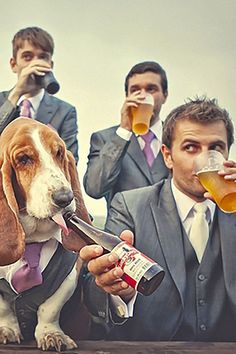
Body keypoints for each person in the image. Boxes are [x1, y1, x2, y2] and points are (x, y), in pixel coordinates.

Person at [80, 97, 236, 342]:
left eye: (216, 148)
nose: (204, 159)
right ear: (167, 156)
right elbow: (93, 292)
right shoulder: (130, 206)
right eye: (190, 147)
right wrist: (116, 290)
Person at [83, 61, 169, 210]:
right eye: (135, 90)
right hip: (123, 231)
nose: (143, 96)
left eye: (151, 89)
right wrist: (124, 131)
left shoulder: (177, 139)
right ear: (127, 96)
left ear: (164, 95)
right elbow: (94, 188)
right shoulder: (104, 138)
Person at [0, 26, 78, 162]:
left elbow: (70, 163)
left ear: (50, 64)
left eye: (42, 57)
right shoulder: (3, 101)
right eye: (27, 57)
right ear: (13, 64)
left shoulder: (64, 111)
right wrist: (16, 93)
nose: (35, 64)